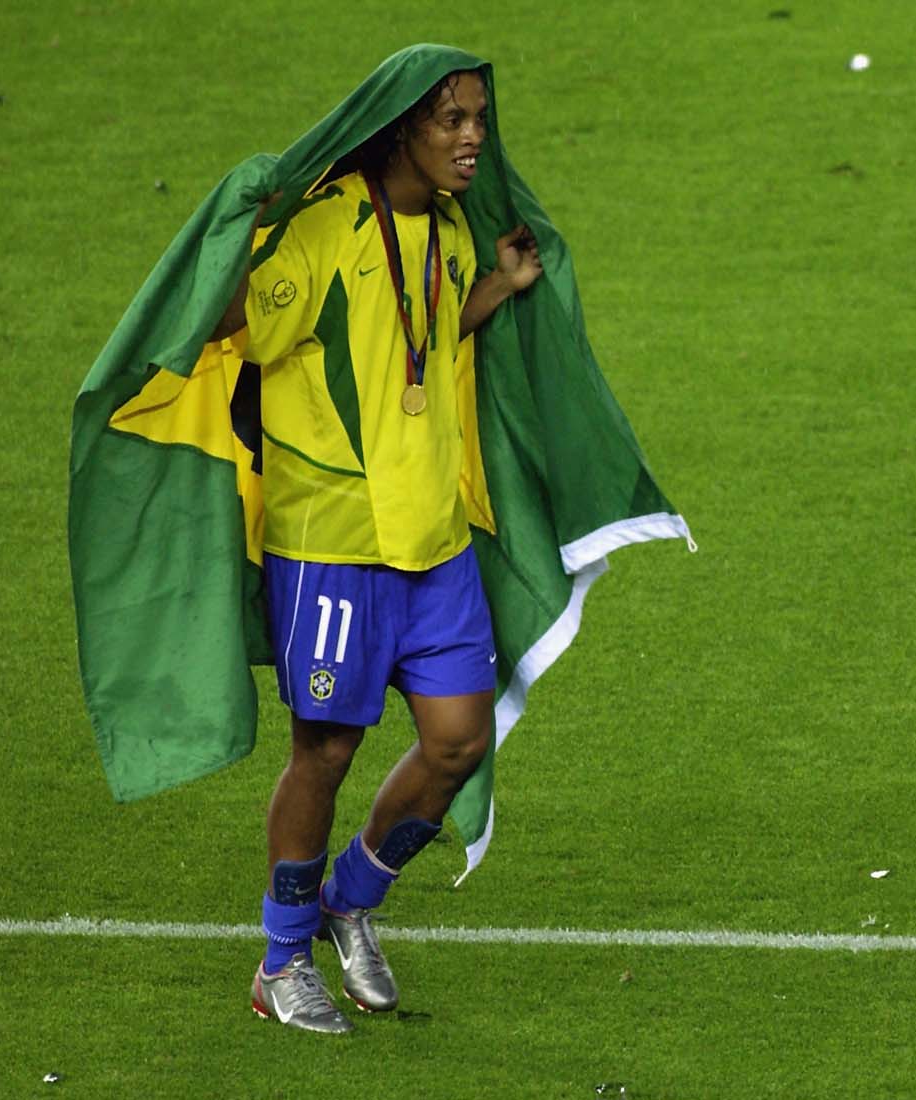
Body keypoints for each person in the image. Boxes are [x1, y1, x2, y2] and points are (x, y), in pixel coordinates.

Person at [211, 66, 543, 1035]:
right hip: (334, 543)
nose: (472, 137)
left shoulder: (450, 228)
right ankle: (281, 961)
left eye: (479, 119)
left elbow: (424, 336)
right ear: (401, 130)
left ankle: (350, 899)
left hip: (433, 540)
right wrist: (236, 231)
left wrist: (497, 287)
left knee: (458, 742)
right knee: (326, 748)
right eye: (452, 120)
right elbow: (230, 326)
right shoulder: (322, 229)